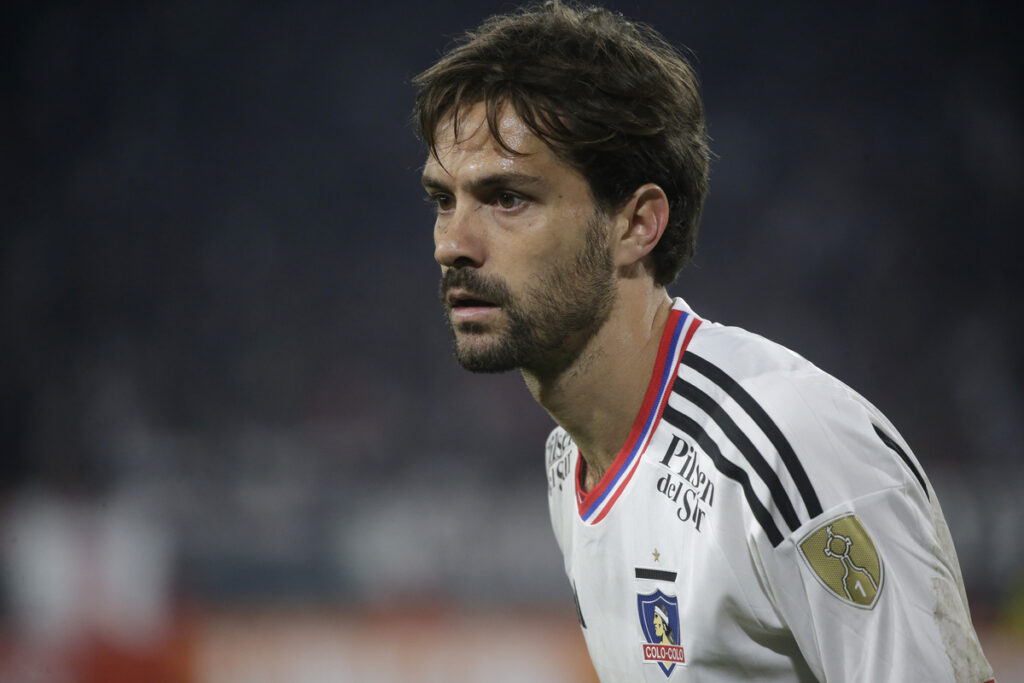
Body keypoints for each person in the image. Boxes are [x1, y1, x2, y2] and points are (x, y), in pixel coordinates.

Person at [413, 2, 995, 681]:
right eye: (443, 201)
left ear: (636, 224)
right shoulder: (571, 457)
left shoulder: (788, 447)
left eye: (508, 198)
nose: (453, 243)